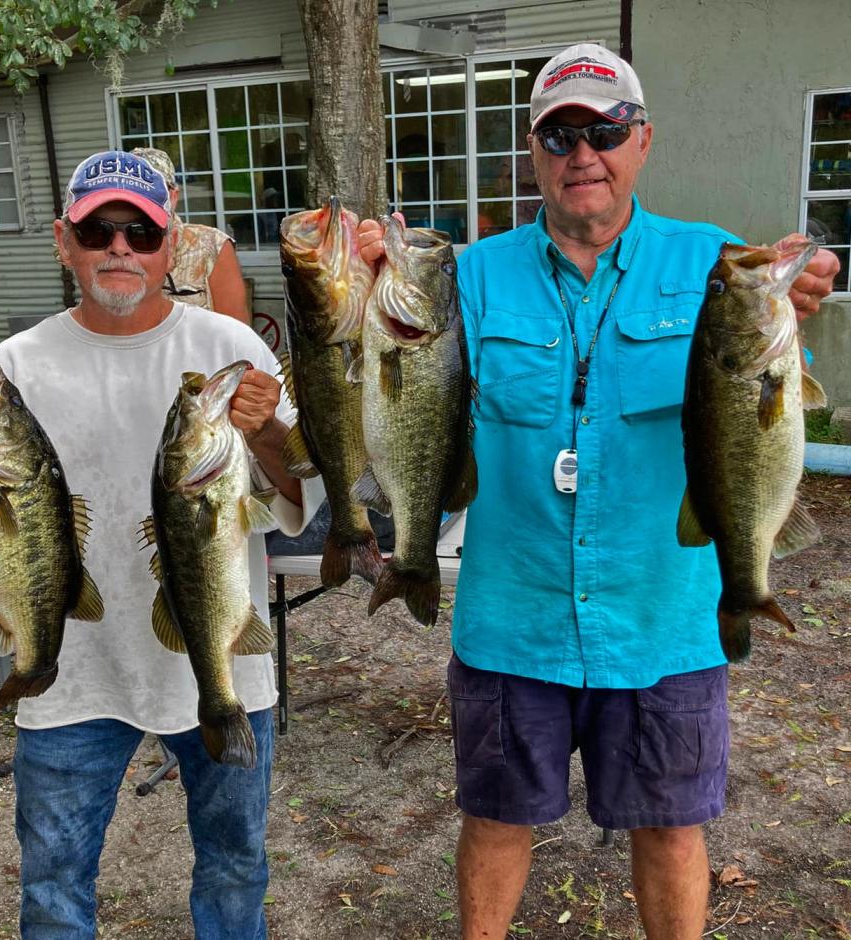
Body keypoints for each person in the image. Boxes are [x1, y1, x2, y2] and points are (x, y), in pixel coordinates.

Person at [358, 43, 840, 940]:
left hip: (666, 615)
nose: (584, 152)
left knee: (669, 827)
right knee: (497, 819)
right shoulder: (466, 275)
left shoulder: (719, 267)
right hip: (513, 615)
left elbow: (768, 402)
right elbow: (397, 367)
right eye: (559, 134)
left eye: (606, 129)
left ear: (642, 141)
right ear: (533, 153)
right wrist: (348, 275)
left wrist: (803, 281)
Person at [0, 149, 323, 940]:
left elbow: (302, 503)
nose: (120, 247)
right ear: (65, 241)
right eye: (99, 230)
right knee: (54, 885)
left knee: (236, 869)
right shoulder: (12, 367)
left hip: (224, 661)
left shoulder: (235, 351)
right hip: (71, 678)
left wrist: (267, 428)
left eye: (141, 230)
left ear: (172, 247)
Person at [131, 146, 251, 324]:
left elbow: (239, 337)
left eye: (153, 192)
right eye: (132, 192)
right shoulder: (107, 246)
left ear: (173, 196)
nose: (141, 201)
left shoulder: (211, 246)